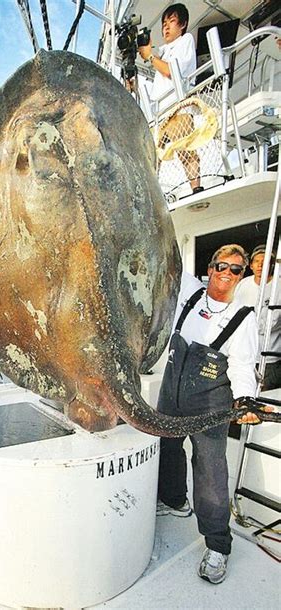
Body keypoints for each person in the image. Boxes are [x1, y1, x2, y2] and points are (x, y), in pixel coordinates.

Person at [156, 244, 261, 585]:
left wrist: (245, 401)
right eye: (221, 266)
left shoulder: (244, 318)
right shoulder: (189, 292)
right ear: (211, 266)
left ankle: (218, 545)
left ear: (241, 276)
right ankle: (175, 501)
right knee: (167, 451)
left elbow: (244, 366)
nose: (226, 274)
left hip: (210, 404)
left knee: (211, 472)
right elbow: (165, 256)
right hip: (171, 394)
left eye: (235, 269)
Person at [137, 3, 202, 193]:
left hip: (178, 108)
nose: (166, 27)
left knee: (186, 151)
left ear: (182, 24)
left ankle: (197, 189)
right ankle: (152, 198)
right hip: (160, 115)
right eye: (164, 23)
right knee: (152, 162)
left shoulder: (186, 40)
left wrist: (150, 57)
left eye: (171, 22)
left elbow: (171, 71)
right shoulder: (164, 51)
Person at [234, 244, 280, 390]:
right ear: (251, 266)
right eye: (257, 262)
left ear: (272, 265)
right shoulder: (243, 285)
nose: (260, 265)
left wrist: (245, 324)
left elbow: (271, 323)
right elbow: (233, 314)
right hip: (245, 357)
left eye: (265, 261)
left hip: (270, 360)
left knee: (266, 401)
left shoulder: (279, 286)